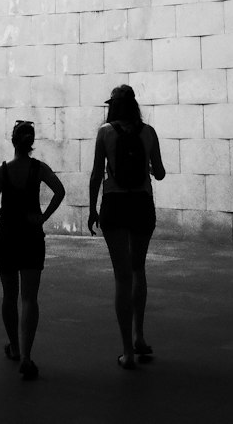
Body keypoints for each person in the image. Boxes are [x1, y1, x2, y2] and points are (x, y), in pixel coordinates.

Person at [88, 84, 166, 370]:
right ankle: (140, 336)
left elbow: (97, 173)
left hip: (115, 205)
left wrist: (91, 209)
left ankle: (126, 352)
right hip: (142, 205)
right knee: (138, 270)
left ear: (112, 106)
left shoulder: (105, 132)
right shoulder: (148, 132)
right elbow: (159, 173)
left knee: (122, 278)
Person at [0, 119, 65, 380]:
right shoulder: (39, 168)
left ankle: (14, 346)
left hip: (8, 235)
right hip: (32, 236)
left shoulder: (1, 171)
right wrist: (42, 218)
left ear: (13, 141)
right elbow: (60, 191)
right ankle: (26, 356)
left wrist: (6, 212)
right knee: (29, 298)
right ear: (31, 143)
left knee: (9, 296)